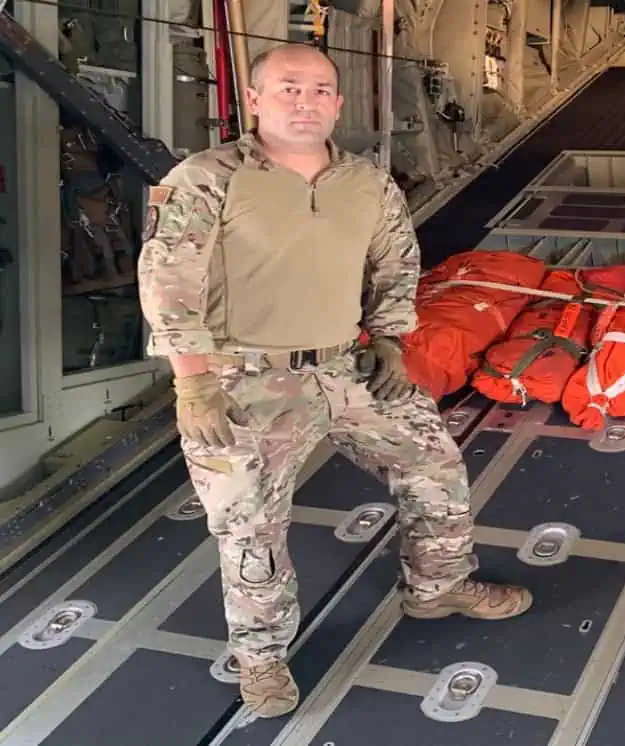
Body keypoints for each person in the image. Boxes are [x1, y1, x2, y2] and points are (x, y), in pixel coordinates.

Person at [136, 42, 533, 719]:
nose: (305, 101)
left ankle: (437, 587)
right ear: (254, 99)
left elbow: (396, 263)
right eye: (288, 88)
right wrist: (192, 382)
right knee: (250, 526)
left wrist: (387, 339)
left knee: (433, 466)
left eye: (320, 89)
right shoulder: (207, 178)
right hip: (241, 382)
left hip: (342, 368)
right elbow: (167, 280)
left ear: (338, 104)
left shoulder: (367, 181)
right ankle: (261, 659)